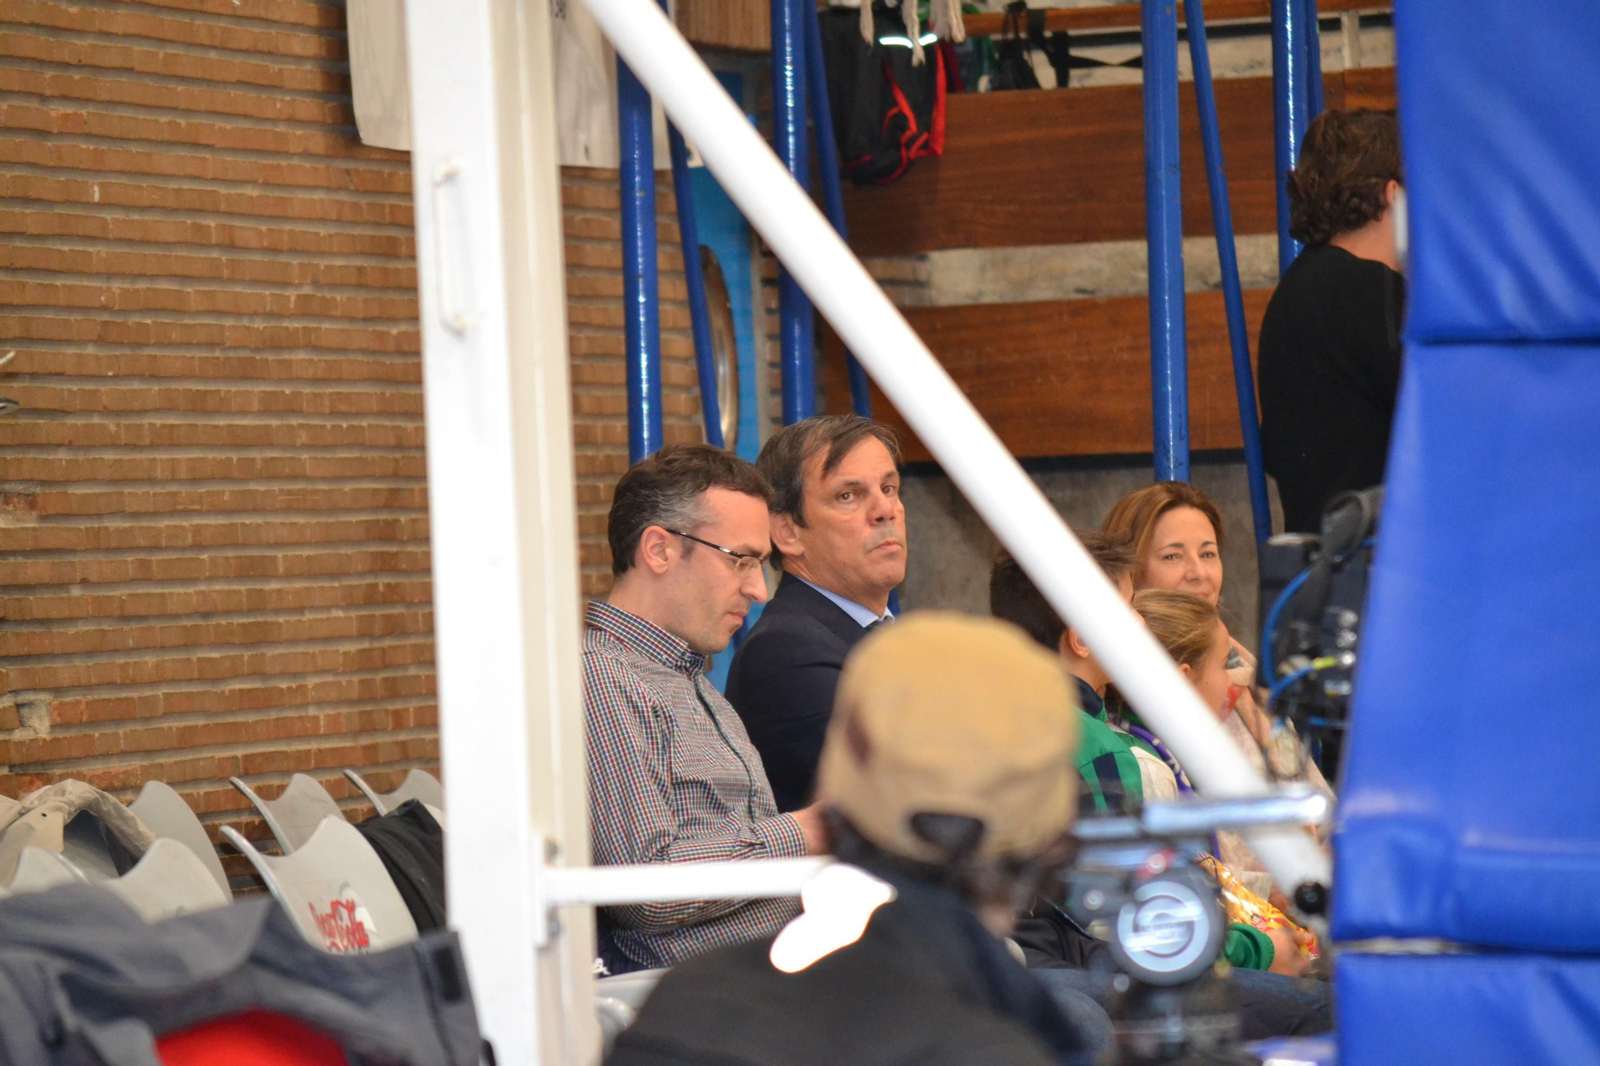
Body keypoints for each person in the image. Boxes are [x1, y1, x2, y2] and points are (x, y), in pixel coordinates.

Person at [608, 613, 1105, 1066]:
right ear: (1054, 838)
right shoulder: (1006, 1046)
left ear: (834, 788)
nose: (757, 589)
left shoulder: (683, 1004)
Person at [585, 444, 828, 974]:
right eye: (741, 560)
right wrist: (808, 832)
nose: (758, 590)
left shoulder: (690, 680)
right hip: (715, 995)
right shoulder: (602, 678)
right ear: (659, 550)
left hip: (776, 972)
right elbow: (646, 890)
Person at [1128, 589, 1317, 979]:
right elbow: (1177, 907)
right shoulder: (1150, 768)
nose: (1231, 679)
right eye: (1222, 665)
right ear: (1182, 680)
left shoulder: (1177, 749)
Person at [726, 415, 907, 812]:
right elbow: (910, 797)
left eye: (889, 488)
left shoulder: (891, 638)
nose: (885, 510)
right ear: (787, 532)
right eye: (848, 496)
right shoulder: (785, 651)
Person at [1257, 108, 1406, 534]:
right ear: (1392, 194)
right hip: (1375, 555)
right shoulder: (1374, 291)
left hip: (1319, 554)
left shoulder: (1296, 291)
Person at [988, 533, 1147, 814]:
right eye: (1127, 609)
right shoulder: (1100, 751)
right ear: (1081, 640)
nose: (1141, 621)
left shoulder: (985, 716)